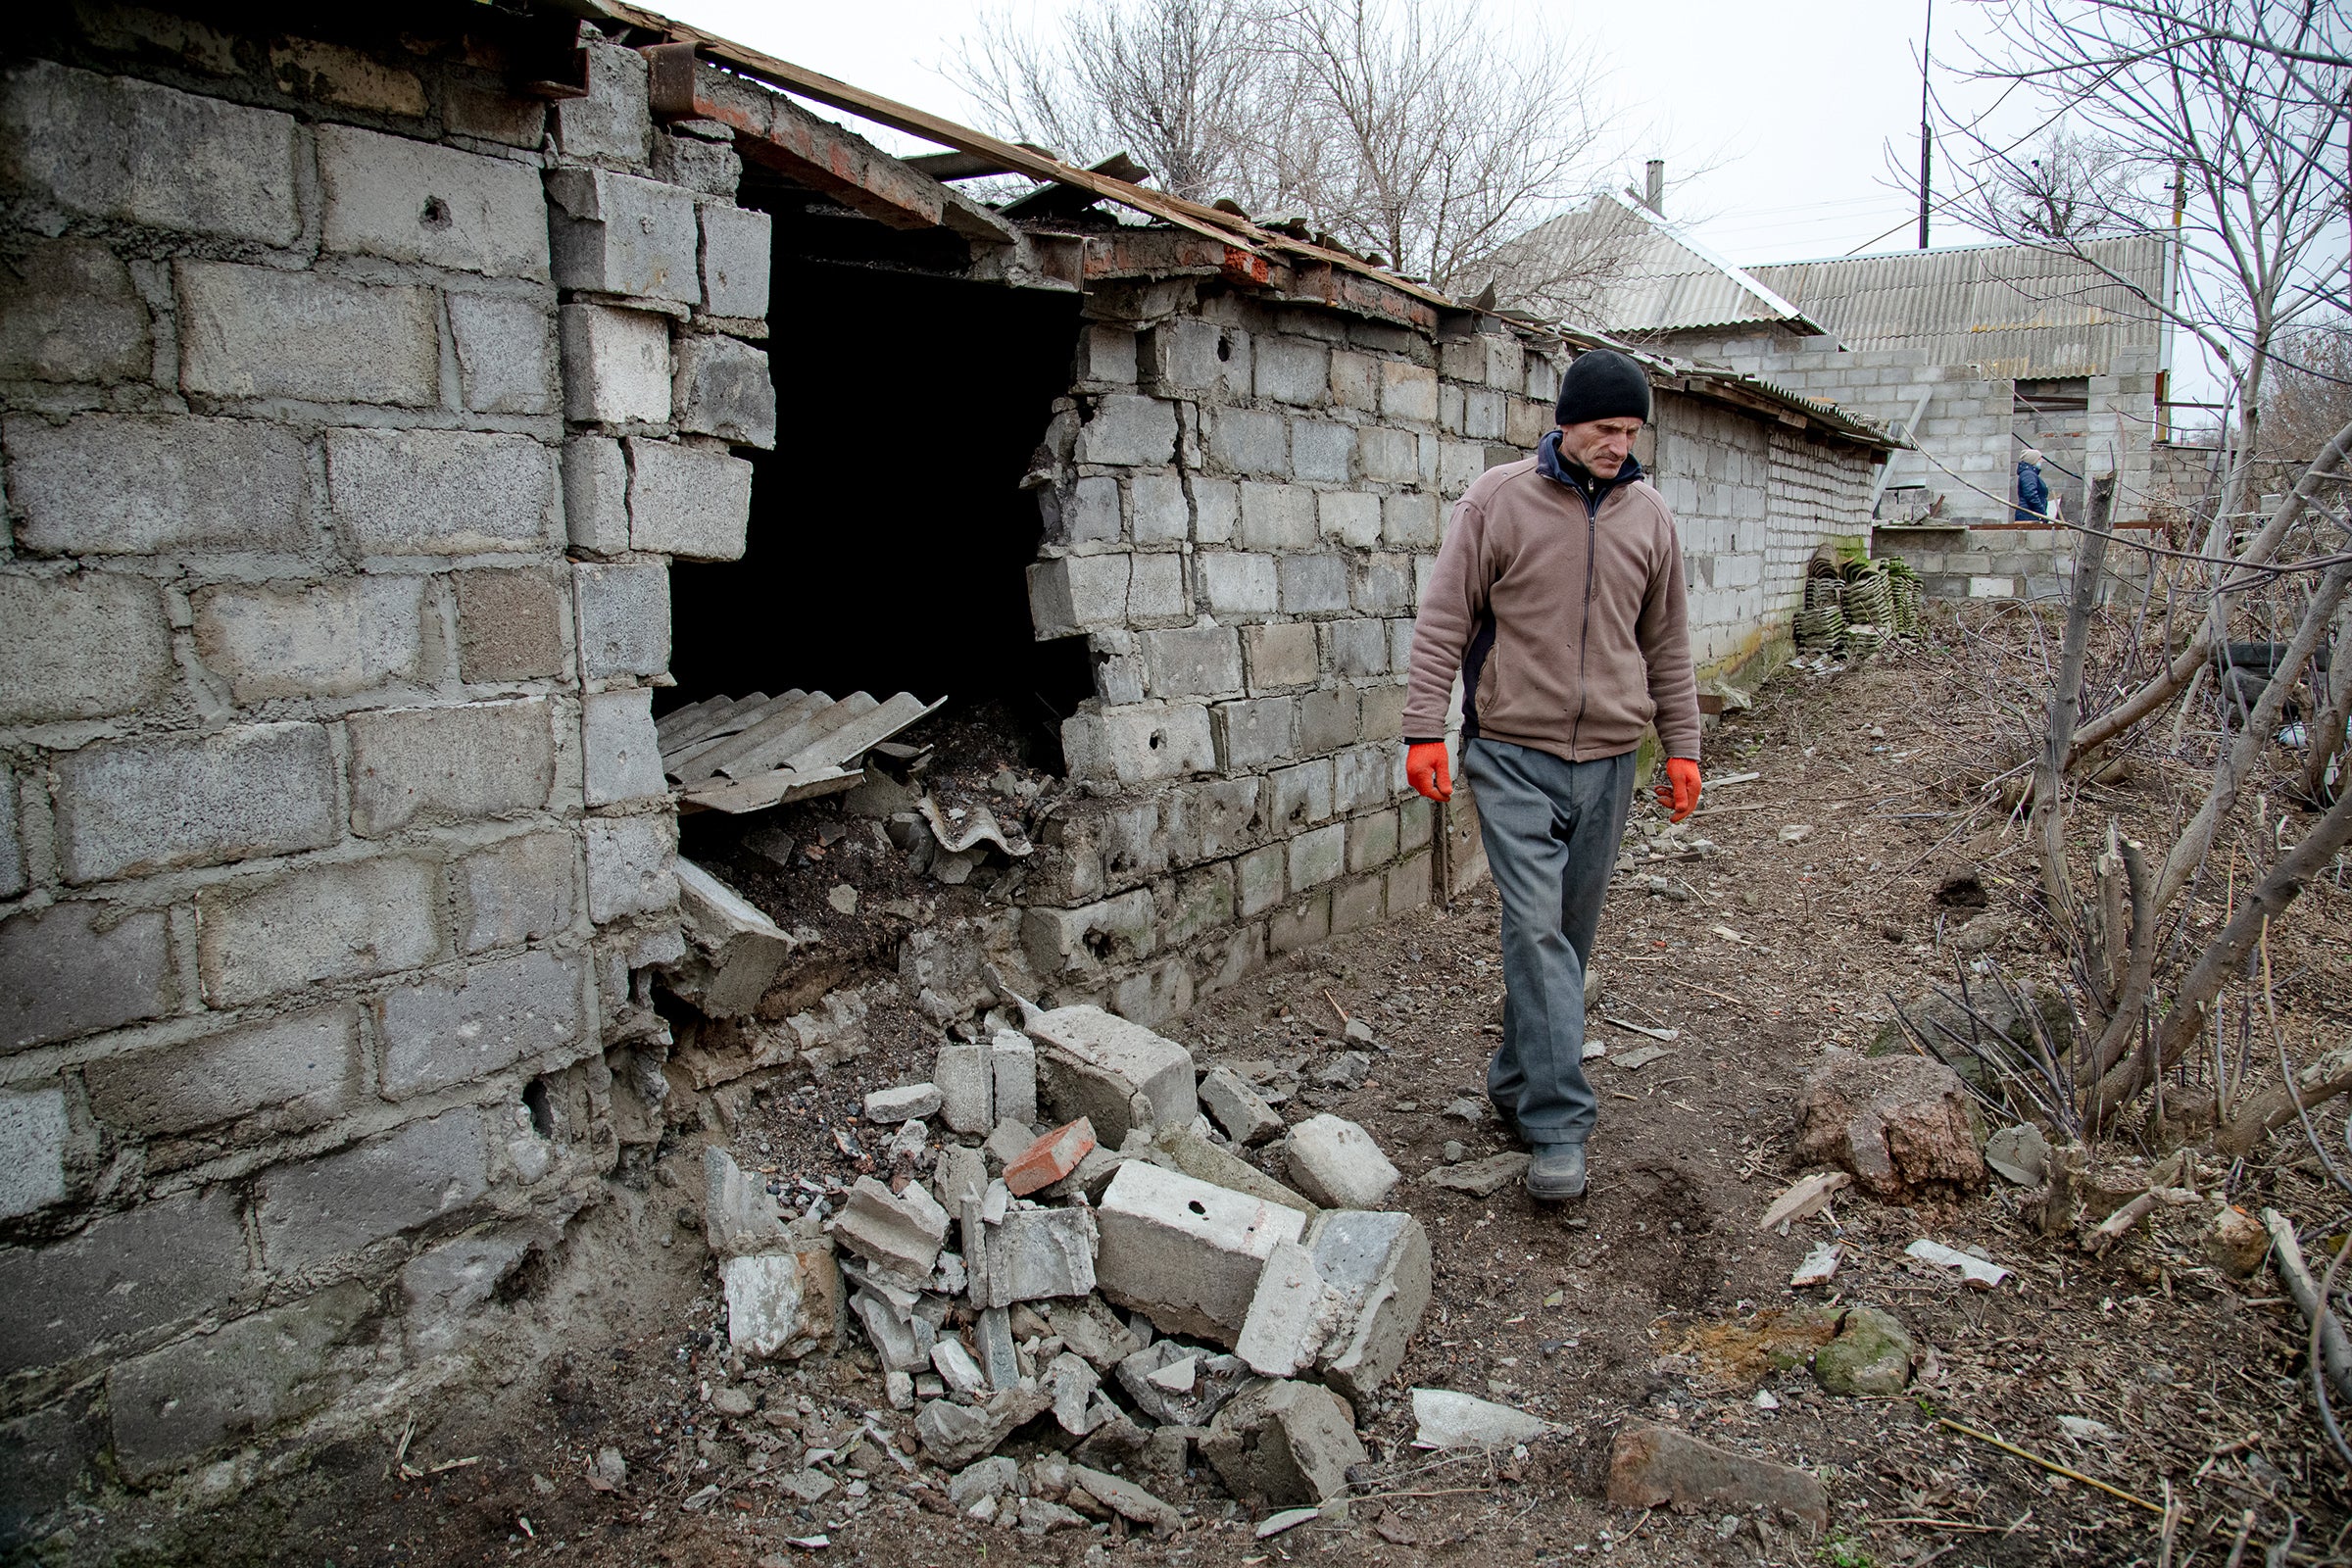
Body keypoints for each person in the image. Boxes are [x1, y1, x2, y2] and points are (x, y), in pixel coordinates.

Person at [1399, 348, 1701, 1202]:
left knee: (1566, 941)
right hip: (1512, 754)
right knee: (1536, 930)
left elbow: (1668, 645)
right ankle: (1559, 1124)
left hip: (1609, 759)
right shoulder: (1497, 501)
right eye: (1607, 428)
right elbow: (1444, 618)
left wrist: (1682, 748)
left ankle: (1515, 1076)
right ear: (1566, 420)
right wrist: (1427, 729)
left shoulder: (1650, 519)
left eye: (1632, 430)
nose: (1620, 444)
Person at [2015, 449, 2051, 521]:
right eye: (2039, 459)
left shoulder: (2030, 474)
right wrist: (2042, 513)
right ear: (2033, 460)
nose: (2041, 461)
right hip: (2029, 515)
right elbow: (2031, 495)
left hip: (2031, 514)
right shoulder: (2028, 474)